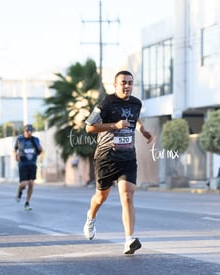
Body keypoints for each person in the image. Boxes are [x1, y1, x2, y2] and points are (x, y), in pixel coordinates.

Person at [83, 70, 152, 255]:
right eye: (123, 82)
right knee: (101, 197)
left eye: (130, 82)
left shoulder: (136, 103)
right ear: (115, 85)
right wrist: (114, 125)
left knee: (127, 195)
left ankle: (129, 240)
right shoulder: (106, 104)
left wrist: (143, 130)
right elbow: (89, 127)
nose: (127, 86)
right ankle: (90, 217)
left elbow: (134, 117)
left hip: (128, 157)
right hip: (106, 157)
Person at [13, 124, 43, 210]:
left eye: (30, 131)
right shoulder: (19, 139)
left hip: (32, 164)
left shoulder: (35, 140)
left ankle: (27, 202)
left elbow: (40, 149)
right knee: (23, 184)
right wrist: (15, 156)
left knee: (31, 183)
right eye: (27, 131)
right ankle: (19, 192)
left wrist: (39, 156)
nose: (28, 133)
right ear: (24, 131)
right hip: (23, 164)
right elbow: (14, 150)